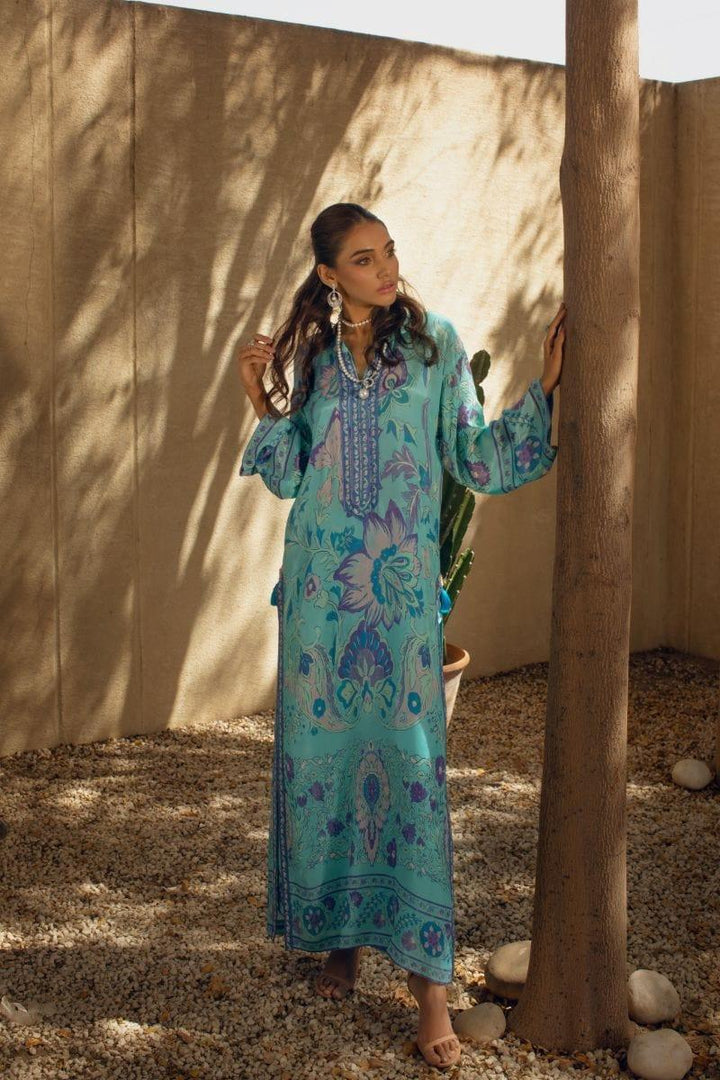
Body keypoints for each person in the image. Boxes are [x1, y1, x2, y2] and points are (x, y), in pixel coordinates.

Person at [237, 203, 566, 1070]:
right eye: (363, 258)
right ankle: (342, 944)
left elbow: (474, 457)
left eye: (388, 252)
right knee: (331, 766)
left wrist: (545, 391)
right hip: (320, 603)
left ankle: (430, 992)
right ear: (328, 275)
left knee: (411, 772)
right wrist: (258, 396)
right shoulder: (316, 357)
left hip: (400, 602)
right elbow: (291, 474)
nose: (385, 269)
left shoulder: (434, 345)